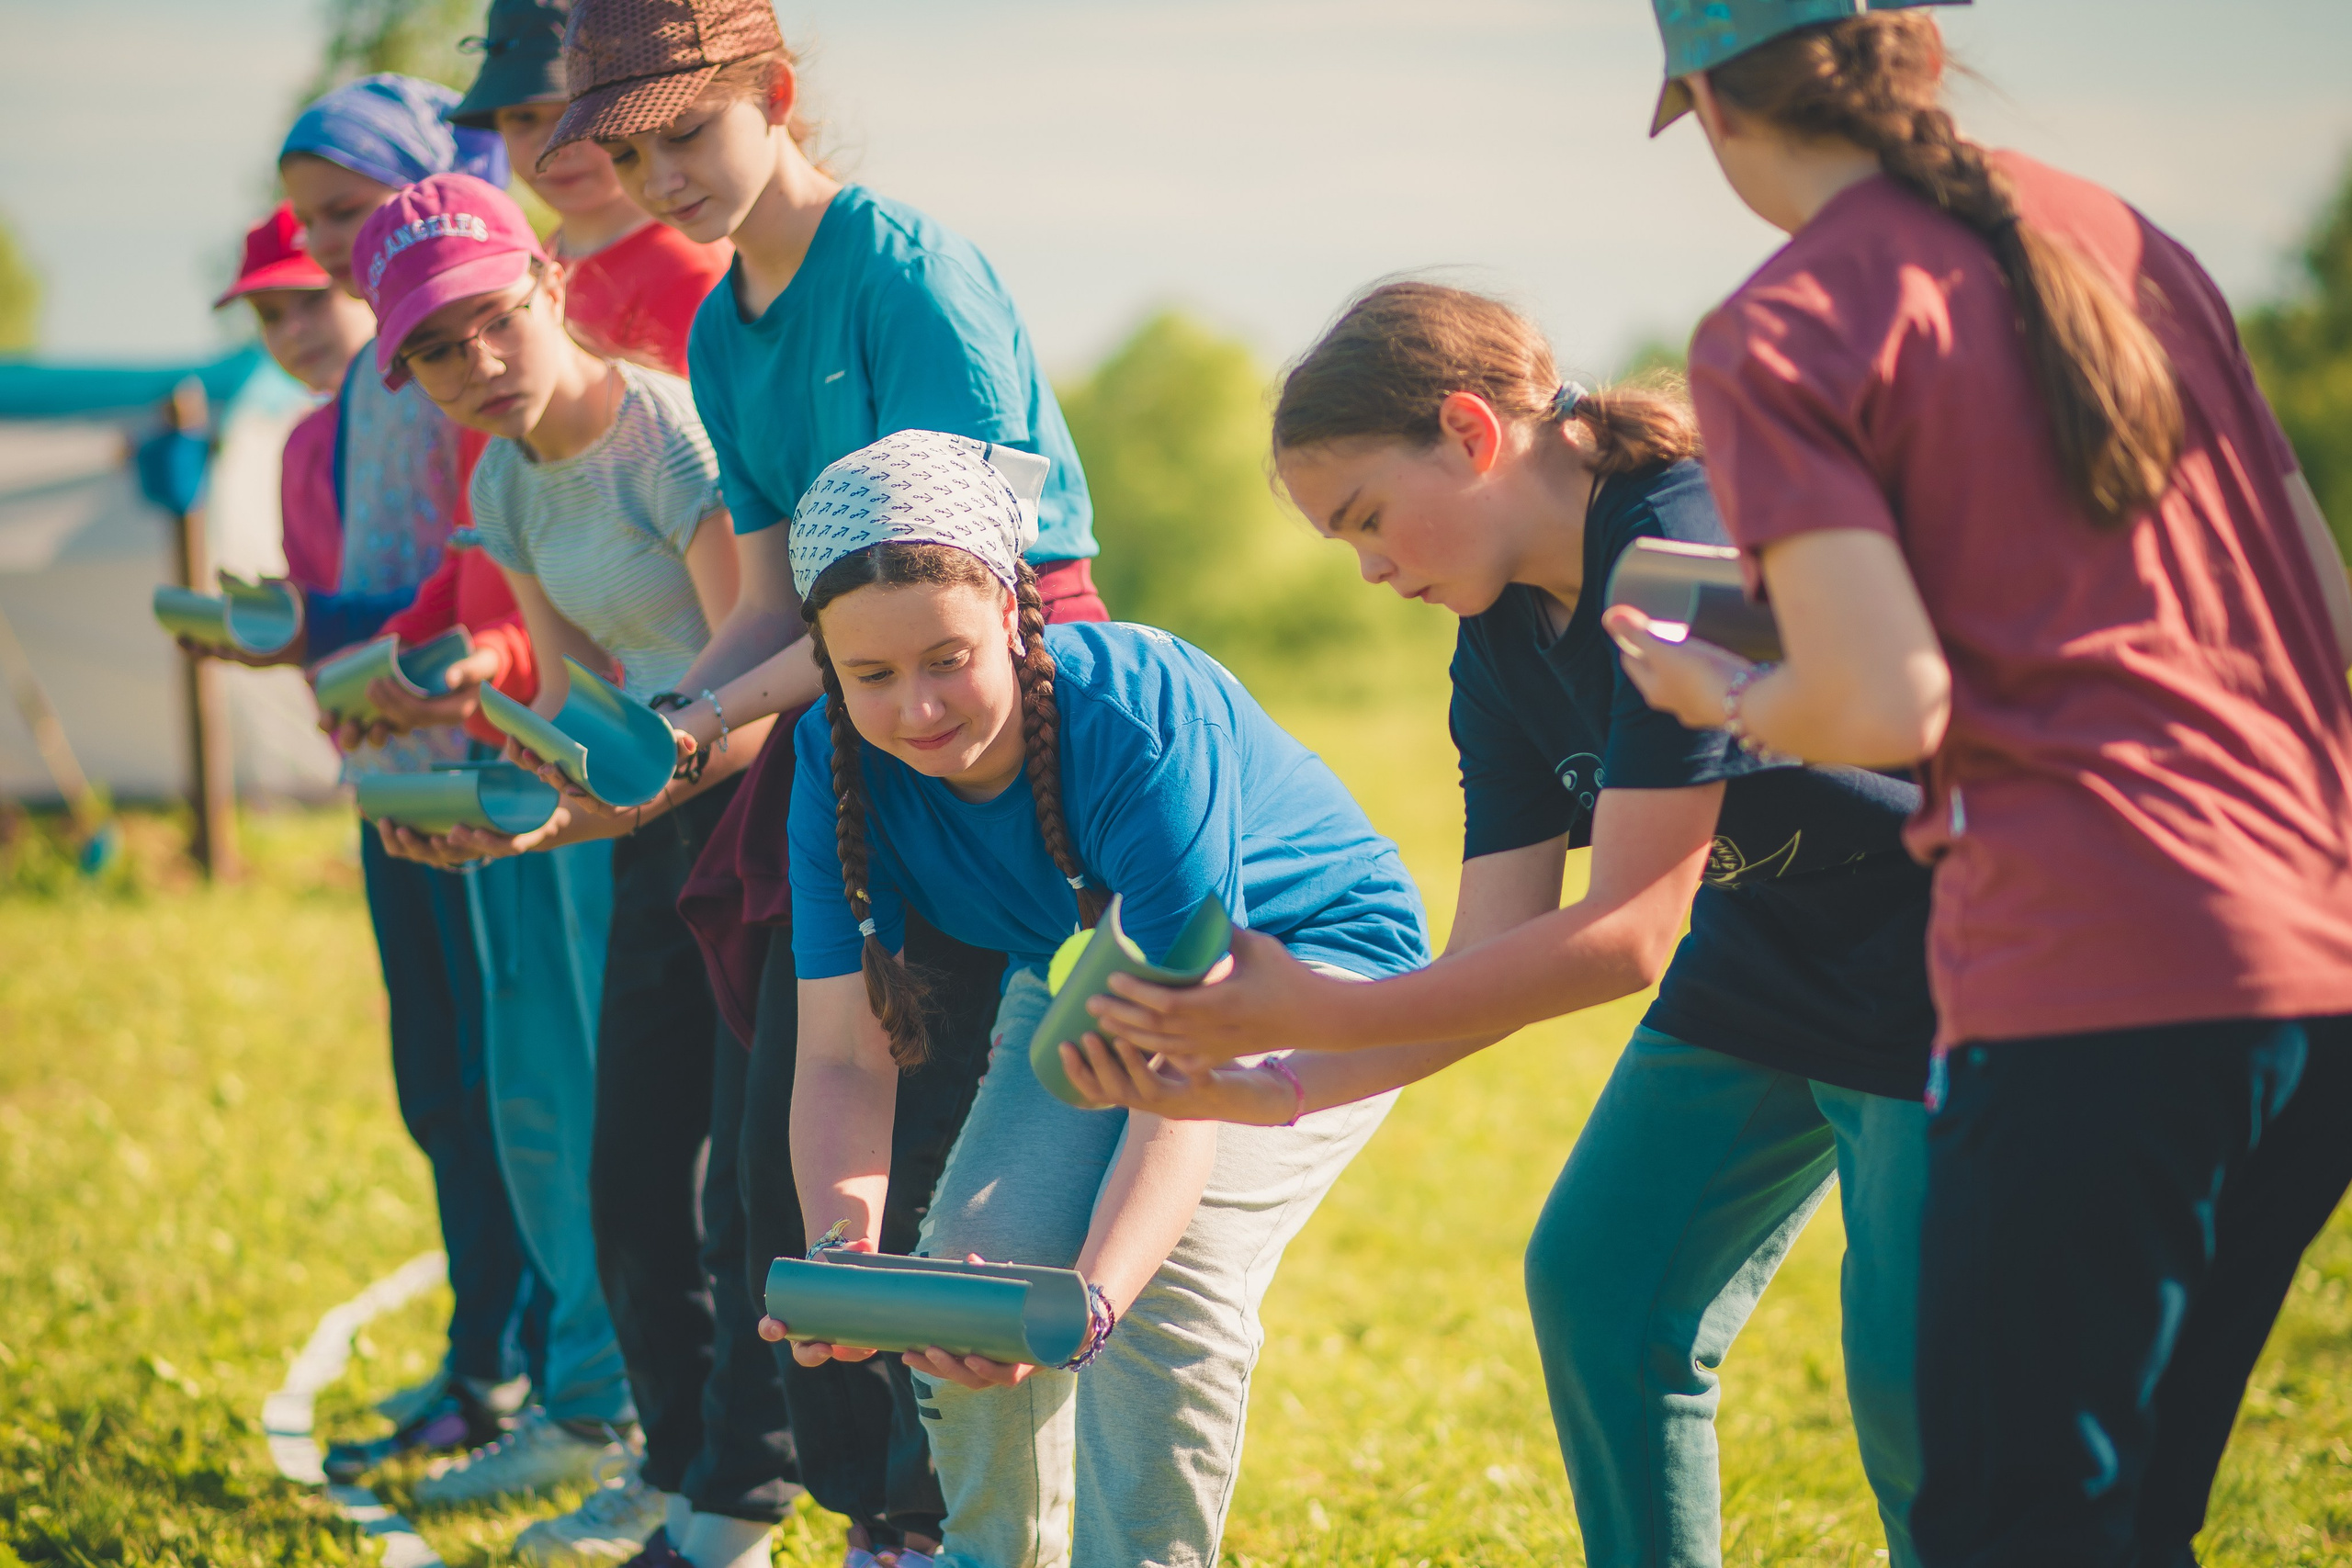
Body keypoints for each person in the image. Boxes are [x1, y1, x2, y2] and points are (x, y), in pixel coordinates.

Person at [1598, 8, 2352, 1565]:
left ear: (1707, 108)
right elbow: (2323, 614)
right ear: (1919, 58)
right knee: (2139, 1513)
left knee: (2021, 1524)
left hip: (2099, 981)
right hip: (2319, 960)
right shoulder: (2125, 238)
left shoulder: (1786, 323)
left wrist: (1716, 692)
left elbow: (1885, 700)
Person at [1072, 282, 1939, 1566]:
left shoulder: (1684, 547)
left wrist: (1325, 1010)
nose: (1371, 569)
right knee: (1604, 1285)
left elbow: (1631, 930)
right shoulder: (1495, 646)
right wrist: (1272, 1082)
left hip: (1950, 958)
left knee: (1919, 1379)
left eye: (1368, 518)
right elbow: (1490, 959)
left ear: (1471, 432)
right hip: (1766, 951)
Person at [538, 4, 1109, 1560]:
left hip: (992, 724)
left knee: (936, 1163)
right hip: (848, 726)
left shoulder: (907, 273)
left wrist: (708, 727)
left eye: (687, 133)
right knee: (783, 1166)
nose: (660, 177)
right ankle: (862, 1511)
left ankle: (935, 1519)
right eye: (628, 155)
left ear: (777, 95)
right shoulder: (724, 333)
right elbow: (768, 604)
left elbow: (945, 592)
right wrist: (671, 729)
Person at [771, 429, 1428, 1568]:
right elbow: (840, 1054)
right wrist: (847, 1261)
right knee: (969, 1272)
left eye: (946, 658)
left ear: (1013, 611)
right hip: (1085, 964)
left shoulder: (1138, 719)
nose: (917, 708)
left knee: (1166, 1274)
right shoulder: (831, 761)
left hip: (1307, 969)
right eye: (871, 675)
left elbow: (1176, 1090)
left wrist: (1091, 1305)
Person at [355, 173, 800, 1568]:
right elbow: (569, 702)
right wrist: (515, 815)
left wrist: (589, 805)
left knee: (742, 1196)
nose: (478, 364)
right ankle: (663, 1476)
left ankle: (743, 1494)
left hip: (765, 816)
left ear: (551, 282)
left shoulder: (667, 436)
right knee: (630, 1179)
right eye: (438, 350)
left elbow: (757, 688)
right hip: (657, 822)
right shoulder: (500, 483)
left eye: (495, 320)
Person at [274, 74, 546, 1475]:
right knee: (439, 1084)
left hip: (495, 770)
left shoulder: (468, 359)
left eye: (347, 209)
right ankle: (481, 1354)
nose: (323, 242)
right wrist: (317, 639)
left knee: (512, 1088)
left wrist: (344, 635)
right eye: (311, 219)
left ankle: (534, 1367)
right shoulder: (373, 378)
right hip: (399, 768)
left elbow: (479, 573)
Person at [445, 0, 732, 378]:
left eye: (576, 112)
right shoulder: (538, 257)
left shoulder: (686, 267)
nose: (555, 145)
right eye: (524, 117)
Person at [208, 205, 377, 596]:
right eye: (270, 316)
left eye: (313, 300)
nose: (293, 331)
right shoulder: (302, 446)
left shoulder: (436, 411)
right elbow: (313, 585)